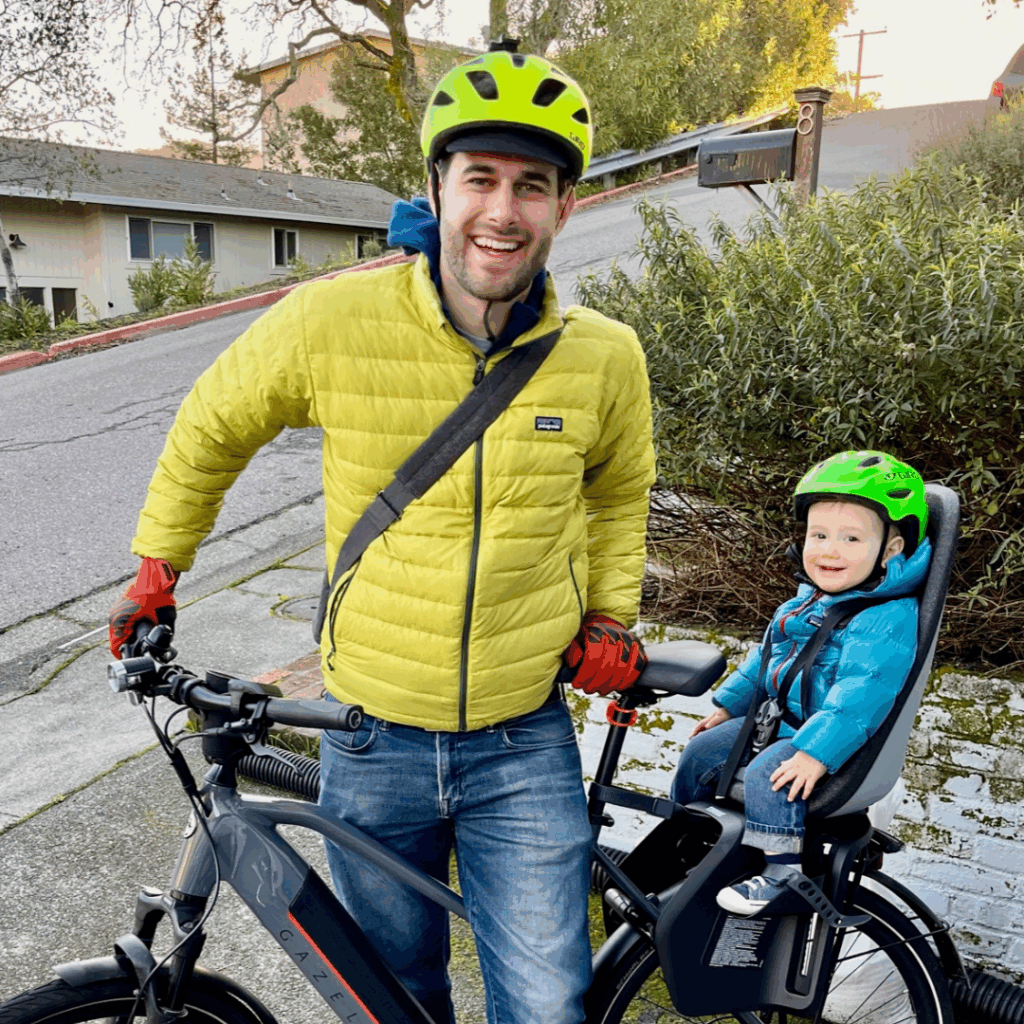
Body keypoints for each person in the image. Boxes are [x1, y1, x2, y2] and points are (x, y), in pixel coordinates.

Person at [108, 47, 656, 1024]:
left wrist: (613, 612)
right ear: (437, 187)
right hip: (369, 737)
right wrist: (158, 565)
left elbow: (620, 490)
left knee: (545, 1003)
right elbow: (212, 423)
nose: (502, 209)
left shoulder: (604, 357)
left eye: (532, 185)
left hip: (520, 739)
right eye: (479, 176)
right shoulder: (332, 318)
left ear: (564, 208)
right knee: (394, 998)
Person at [669, 450, 931, 918]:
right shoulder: (806, 600)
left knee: (772, 776)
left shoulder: (885, 617)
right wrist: (730, 706)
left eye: (851, 538)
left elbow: (862, 696)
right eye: (819, 535)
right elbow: (766, 660)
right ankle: (693, 844)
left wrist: (815, 752)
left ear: (890, 550)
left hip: (831, 742)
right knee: (703, 752)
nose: (830, 550)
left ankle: (783, 873)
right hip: (784, 724)